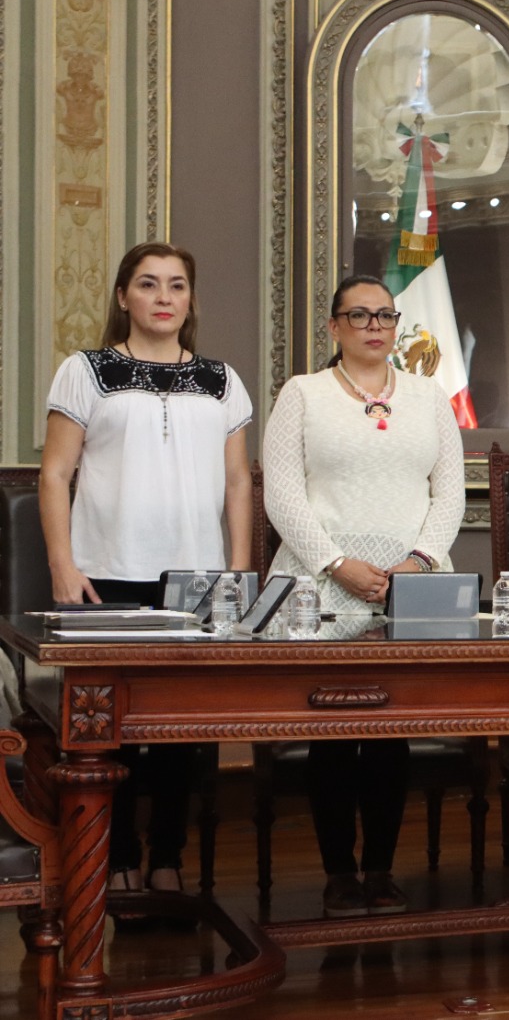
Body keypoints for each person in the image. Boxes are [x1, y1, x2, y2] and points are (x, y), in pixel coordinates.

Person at [41, 241, 253, 902]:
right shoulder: (87, 371)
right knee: (118, 733)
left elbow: (239, 482)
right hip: (108, 574)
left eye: (177, 286)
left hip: (196, 581)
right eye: (148, 284)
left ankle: (168, 856)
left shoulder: (222, 379)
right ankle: (117, 858)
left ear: (190, 300)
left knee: (182, 737)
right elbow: (55, 473)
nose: (164, 297)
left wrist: (240, 568)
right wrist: (62, 564)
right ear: (124, 296)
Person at [263, 274, 465, 917]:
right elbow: (282, 493)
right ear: (334, 327)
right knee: (333, 730)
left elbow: (450, 494)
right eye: (359, 315)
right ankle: (338, 874)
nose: (375, 326)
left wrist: (421, 560)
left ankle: (379, 869)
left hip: (412, 590)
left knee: (389, 731)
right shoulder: (303, 393)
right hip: (320, 586)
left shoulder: (430, 398)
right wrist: (335, 562)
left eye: (384, 315)